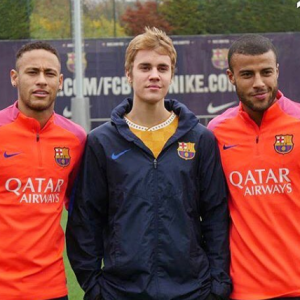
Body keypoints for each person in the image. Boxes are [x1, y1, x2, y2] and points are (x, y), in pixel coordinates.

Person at [66, 27, 231, 300]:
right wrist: (94, 287)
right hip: (120, 292)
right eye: (145, 67)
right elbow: (85, 220)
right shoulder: (102, 141)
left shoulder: (200, 139)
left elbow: (216, 217)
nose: (154, 75)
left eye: (162, 68)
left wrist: (217, 286)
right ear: (128, 74)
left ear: (171, 75)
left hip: (192, 291)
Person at [208, 34, 300, 299]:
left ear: (277, 72)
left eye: (266, 72)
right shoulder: (217, 132)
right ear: (231, 76)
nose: (259, 83)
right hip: (244, 290)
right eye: (247, 74)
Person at [0, 41, 86, 300]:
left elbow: (82, 210)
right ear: (15, 78)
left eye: (49, 74)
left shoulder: (76, 139)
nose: (41, 80)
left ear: (60, 81)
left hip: (52, 288)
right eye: (32, 72)